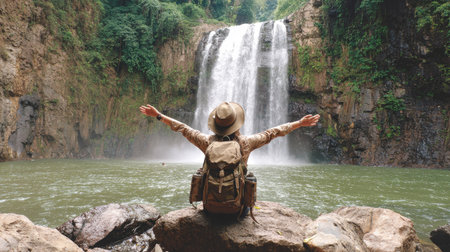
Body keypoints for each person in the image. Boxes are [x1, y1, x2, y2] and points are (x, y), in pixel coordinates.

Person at [139, 102, 320, 167]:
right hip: (237, 208)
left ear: (215, 125)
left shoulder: (206, 142)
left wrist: (158, 115)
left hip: (210, 206)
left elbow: (183, 128)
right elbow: (273, 133)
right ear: (237, 124)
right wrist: (299, 123)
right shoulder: (246, 143)